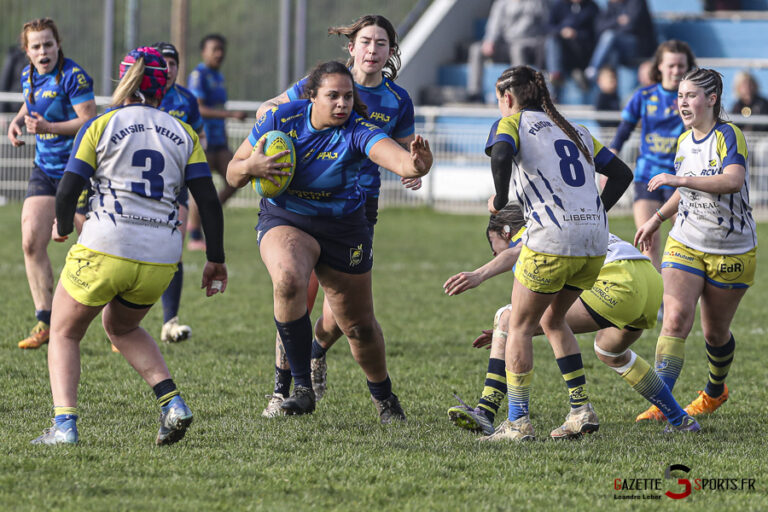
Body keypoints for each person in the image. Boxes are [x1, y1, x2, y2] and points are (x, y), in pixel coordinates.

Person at [31, 47, 227, 445]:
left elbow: (68, 188)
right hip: (160, 257)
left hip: (106, 245)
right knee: (122, 327)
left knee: (65, 332)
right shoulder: (184, 132)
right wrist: (215, 259)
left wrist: (64, 226)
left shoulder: (102, 124)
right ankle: (172, 404)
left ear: (126, 80)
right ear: (164, 84)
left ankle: (64, 427)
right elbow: (208, 202)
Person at [226, 60, 432, 423]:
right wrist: (250, 168)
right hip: (286, 217)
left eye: (348, 97)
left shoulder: (357, 130)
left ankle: (385, 398)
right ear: (312, 97)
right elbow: (233, 169)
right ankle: (301, 390)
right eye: (333, 96)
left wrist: (416, 165)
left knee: (357, 326)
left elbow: (398, 160)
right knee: (289, 279)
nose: (342, 104)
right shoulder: (281, 120)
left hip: (344, 228)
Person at [444, 205, 700, 435]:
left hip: (616, 284)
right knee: (610, 352)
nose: (494, 255)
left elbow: (516, 253)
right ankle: (680, 419)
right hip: (648, 281)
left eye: (493, 248)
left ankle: (489, 412)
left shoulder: (535, 233)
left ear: (506, 231)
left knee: (507, 318)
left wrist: (479, 275)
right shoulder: (564, 221)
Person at [479, 65, 633, 442]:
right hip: (595, 241)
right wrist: (594, 213)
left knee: (518, 325)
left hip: (552, 238)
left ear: (508, 98)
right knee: (553, 319)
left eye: (501, 99)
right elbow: (623, 174)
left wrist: (499, 199)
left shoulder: (512, 122)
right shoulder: (575, 129)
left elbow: (501, 156)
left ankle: (517, 422)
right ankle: (580, 410)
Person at [634, 68, 756, 423]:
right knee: (673, 319)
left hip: (731, 249)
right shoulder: (684, 140)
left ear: (712, 99)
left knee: (715, 334)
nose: (682, 102)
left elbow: (733, 181)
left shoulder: (728, 134)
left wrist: (681, 178)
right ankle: (664, 403)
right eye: (680, 96)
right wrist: (656, 219)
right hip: (685, 240)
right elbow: (683, 190)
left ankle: (715, 391)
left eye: (690, 96)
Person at [6, 18, 97, 350]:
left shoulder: (74, 76)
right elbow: (30, 102)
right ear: (27, 51)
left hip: (78, 169)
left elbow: (89, 121)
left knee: (96, 244)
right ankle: (44, 320)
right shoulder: (28, 74)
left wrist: (48, 127)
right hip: (44, 168)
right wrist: (17, 122)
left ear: (58, 44)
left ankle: (118, 325)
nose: (43, 51)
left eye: (48, 44)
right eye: (36, 46)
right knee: (31, 239)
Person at [610, 40, 696, 273]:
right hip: (647, 175)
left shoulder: (693, 98)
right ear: (659, 67)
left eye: (681, 66)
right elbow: (624, 129)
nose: (676, 71)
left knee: (687, 239)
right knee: (649, 239)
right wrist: (610, 159)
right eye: (671, 65)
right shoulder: (645, 95)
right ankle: (658, 302)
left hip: (679, 178)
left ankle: (689, 289)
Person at [154, 41, 207, 344]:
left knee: (174, 250)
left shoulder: (186, 99)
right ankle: (118, 321)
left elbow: (199, 136)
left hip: (177, 185)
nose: (168, 68)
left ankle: (170, 321)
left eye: (172, 63)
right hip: (141, 188)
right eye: (162, 62)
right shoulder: (139, 97)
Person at [186, 33, 246, 251]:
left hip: (220, 140)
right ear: (204, 52)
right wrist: (229, 115)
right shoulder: (198, 75)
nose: (219, 53)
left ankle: (208, 210)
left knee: (237, 179)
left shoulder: (218, 77)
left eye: (222, 49)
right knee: (202, 187)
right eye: (215, 49)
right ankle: (194, 235)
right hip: (205, 139)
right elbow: (199, 108)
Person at [466, 0, 548, 103]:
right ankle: (474, 93)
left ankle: (518, 93)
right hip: (505, 44)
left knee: (517, 49)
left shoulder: (537, 3)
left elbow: (545, 26)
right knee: (476, 49)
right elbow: (494, 25)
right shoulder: (502, 3)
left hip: (529, 44)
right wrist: (490, 41)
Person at [583, 0, 656, 83]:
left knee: (609, 36)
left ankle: (592, 70)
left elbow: (631, 26)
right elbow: (599, 27)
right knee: (612, 48)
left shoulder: (636, 2)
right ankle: (610, 86)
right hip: (620, 52)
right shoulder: (611, 5)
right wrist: (617, 21)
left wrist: (615, 29)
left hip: (639, 47)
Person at [545, 0, 599, 89]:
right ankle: (557, 75)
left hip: (582, 49)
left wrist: (577, 34)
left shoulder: (592, 7)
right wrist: (561, 31)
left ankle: (574, 71)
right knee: (552, 41)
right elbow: (548, 27)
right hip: (562, 50)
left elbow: (595, 33)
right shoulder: (559, 5)